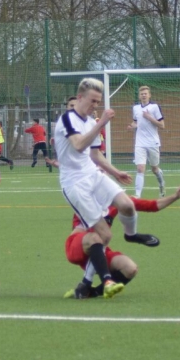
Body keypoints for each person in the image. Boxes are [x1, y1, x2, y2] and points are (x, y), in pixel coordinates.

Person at [55, 77, 159, 300]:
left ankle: (131, 235)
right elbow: (78, 145)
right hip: (74, 183)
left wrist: (115, 172)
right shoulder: (68, 119)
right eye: (92, 101)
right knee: (104, 234)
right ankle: (99, 281)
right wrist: (101, 123)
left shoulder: (90, 121)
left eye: (98, 102)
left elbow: (94, 154)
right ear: (80, 97)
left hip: (92, 174)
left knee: (127, 205)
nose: (95, 106)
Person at [64, 184, 180, 299]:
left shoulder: (116, 200)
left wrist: (175, 196)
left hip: (100, 249)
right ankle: (98, 282)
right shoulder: (84, 198)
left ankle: (92, 292)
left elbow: (151, 205)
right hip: (77, 246)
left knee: (130, 268)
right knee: (96, 237)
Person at [128, 85, 167, 197]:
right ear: (139, 96)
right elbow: (136, 122)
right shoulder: (136, 108)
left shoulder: (154, 107)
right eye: (142, 94)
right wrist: (132, 126)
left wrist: (149, 117)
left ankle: (161, 184)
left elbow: (162, 125)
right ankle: (137, 195)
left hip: (153, 142)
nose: (144, 95)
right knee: (140, 168)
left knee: (155, 169)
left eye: (145, 93)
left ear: (149, 95)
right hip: (140, 143)